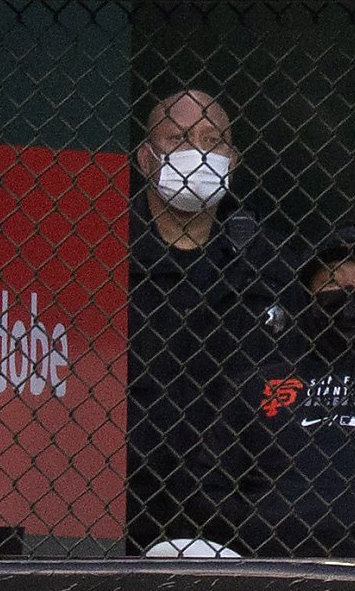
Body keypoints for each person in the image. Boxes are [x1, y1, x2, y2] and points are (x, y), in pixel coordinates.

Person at [125, 89, 298, 557]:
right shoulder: (107, 253)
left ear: (233, 158)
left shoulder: (268, 260)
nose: (197, 153)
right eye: (178, 139)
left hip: (237, 504)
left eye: (211, 140)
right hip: (122, 497)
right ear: (147, 157)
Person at [196, 226, 355, 558]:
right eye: (332, 280)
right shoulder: (258, 384)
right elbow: (211, 484)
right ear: (307, 294)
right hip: (276, 562)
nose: (349, 290)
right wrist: (257, 531)